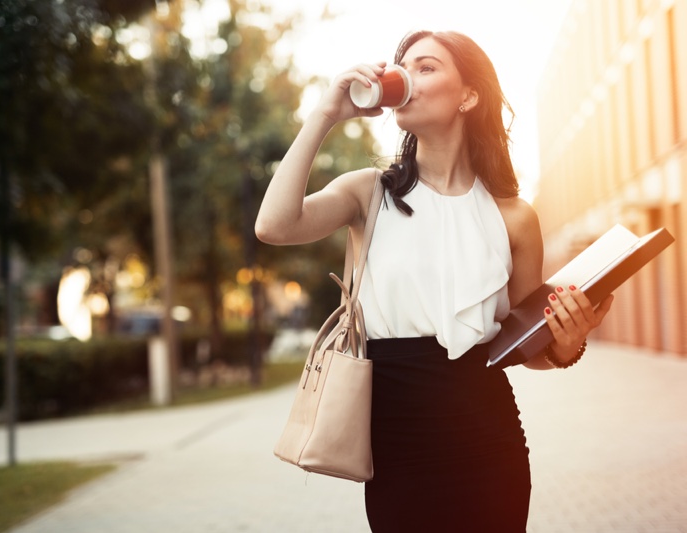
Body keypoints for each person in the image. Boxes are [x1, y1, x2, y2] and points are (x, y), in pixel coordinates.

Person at [255, 30, 614, 532]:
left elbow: (525, 349)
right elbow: (274, 226)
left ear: (469, 95)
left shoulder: (514, 218)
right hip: (397, 446)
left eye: (426, 67)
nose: (404, 76)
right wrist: (324, 116)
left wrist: (566, 345)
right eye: (403, 65)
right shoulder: (369, 192)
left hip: (489, 442)